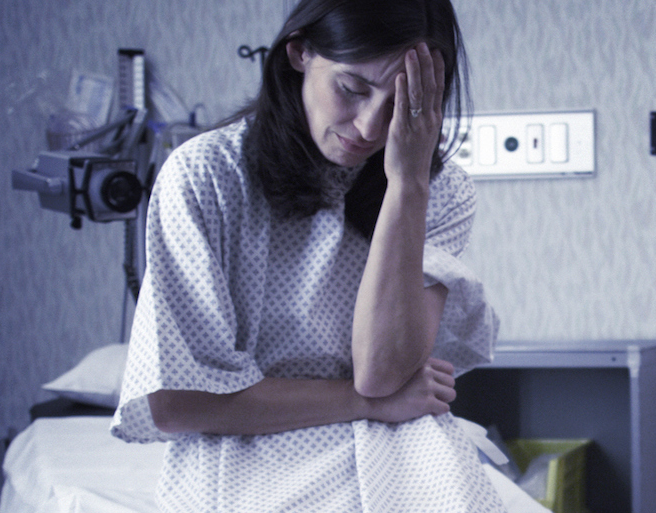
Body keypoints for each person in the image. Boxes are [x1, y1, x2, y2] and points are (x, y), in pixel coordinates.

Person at [110, 0, 502, 510]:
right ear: (299, 52)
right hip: (246, 450)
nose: (368, 127)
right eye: (352, 89)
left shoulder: (438, 191)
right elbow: (176, 404)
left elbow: (381, 372)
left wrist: (406, 186)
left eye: (398, 108)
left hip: (395, 442)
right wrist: (363, 404)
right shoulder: (205, 176)